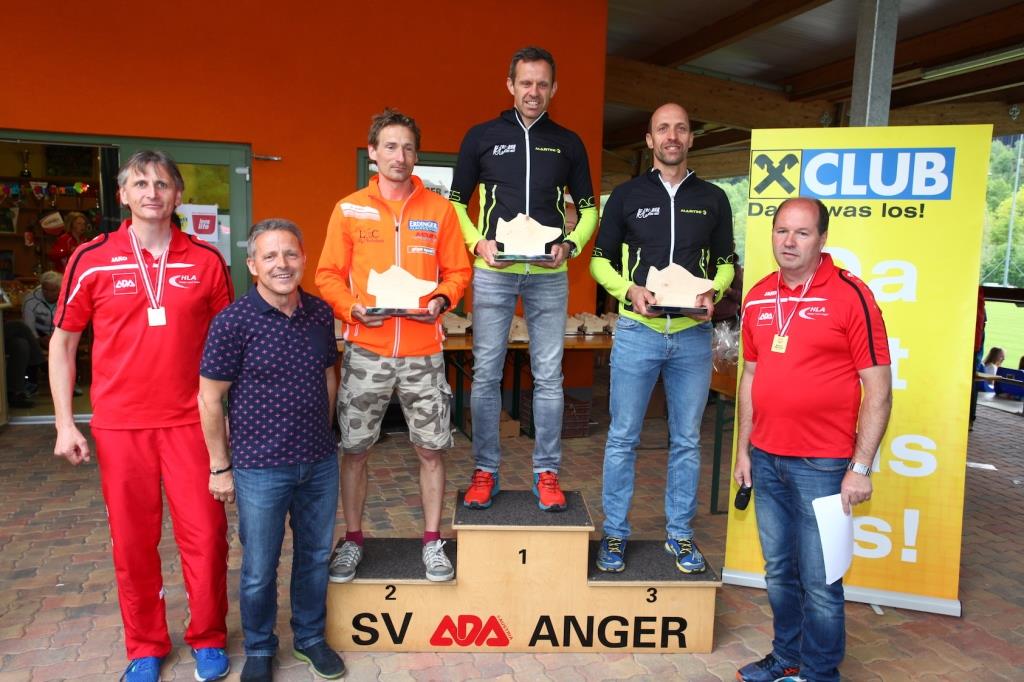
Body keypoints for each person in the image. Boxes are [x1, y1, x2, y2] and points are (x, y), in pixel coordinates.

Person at [49, 150, 232, 682]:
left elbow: (228, 347)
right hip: (120, 425)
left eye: (162, 184)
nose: (152, 193)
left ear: (178, 195)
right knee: (132, 543)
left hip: (191, 424)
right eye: (141, 184)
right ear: (123, 194)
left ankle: (208, 636)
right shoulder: (92, 258)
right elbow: (63, 343)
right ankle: (146, 645)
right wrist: (64, 422)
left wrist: (230, 422)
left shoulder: (206, 261)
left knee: (206, 537)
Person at [733, 197, 892, 682]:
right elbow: (750, 376)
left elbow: (879, 389)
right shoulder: (758, 295)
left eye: (802, 233)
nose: (789, 241)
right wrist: (743, 450)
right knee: (779, 571)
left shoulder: (851, 295)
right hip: (766, 458)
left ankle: (820, 674)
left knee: (822, 582)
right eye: (782, 230)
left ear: (822, 238)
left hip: (823, 464)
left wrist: (859, 468)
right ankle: (787, 657)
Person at [316, 109, 472, 583]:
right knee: (355, 450)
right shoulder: (349, 209)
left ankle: (432, 542)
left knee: (432, 450)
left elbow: (458, 272)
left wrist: (442, 299)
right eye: (389, 146)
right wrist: (351, 309)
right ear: (373, 152)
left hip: (424, 350)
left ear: (416, 155)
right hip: (367, 349)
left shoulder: (439, 211)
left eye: (407, 147)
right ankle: (353, 540)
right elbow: (327, 275)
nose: (399, 156)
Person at [450, 46, 598, 511]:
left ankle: (546, 473)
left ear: (554, 89)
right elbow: (456, 204)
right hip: (494, 273)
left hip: (548, 276)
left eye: (542, 84)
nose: (534, 91)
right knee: (486, 375)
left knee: (550, 377)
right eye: (526, 82)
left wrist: (570, 245)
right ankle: (485, 471)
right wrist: (477, 243)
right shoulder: (482, 137)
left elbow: (590, 209)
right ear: (510, 85)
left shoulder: (568, 142)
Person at [590, 102, 735, 574]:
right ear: (650, 140)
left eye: (681, 129)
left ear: (691, 138)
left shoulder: (713, 198)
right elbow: (599, 261)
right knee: (622, 438)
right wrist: (628, 291)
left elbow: (726, 261)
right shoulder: (626, 196)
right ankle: (615, 533)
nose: (672, 136)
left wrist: (716, 289)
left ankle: (680, 535)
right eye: (663, 129)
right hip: (639, 332)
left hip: (692, 336)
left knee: (687, 440)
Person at [199, 219, 344, 682]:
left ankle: (310, 637)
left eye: (290, 254)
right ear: (252, 265)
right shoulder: (233, 322)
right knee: (260, 567)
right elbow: (209, 398)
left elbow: (328, 376)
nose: (282, 264)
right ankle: (260, 647)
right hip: (260, 468)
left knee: (315, 556)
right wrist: (220, 467)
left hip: (318, 462)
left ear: (303, 258)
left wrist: (323, 433)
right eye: (270, 256)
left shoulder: (319, 313)